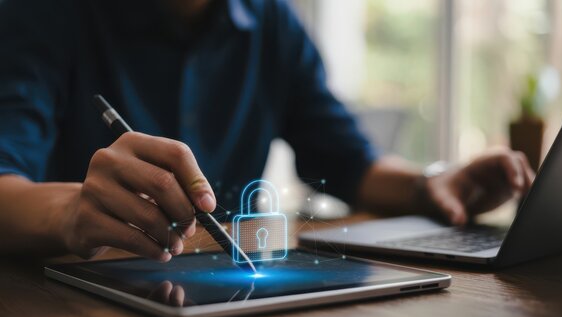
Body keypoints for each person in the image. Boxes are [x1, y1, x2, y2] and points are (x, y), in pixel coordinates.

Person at [0, 0, 534, 262]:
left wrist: (431, 184)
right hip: (69, 305)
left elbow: (351, 162)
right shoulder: (45, 14)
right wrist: (72, 213)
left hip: (220, 306)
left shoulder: (272, 22)